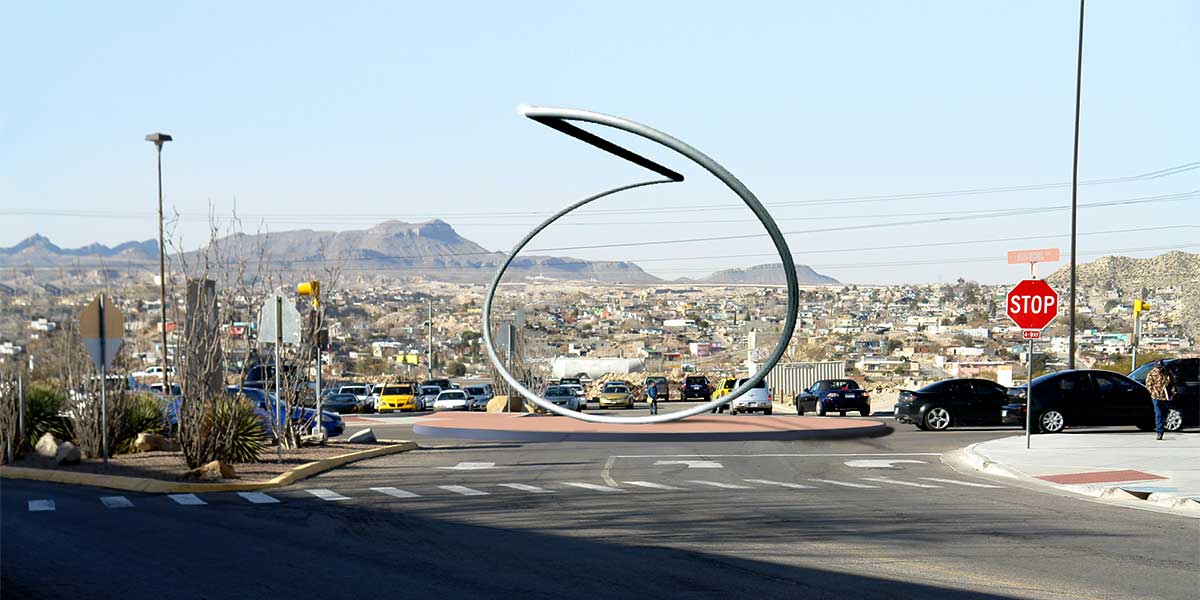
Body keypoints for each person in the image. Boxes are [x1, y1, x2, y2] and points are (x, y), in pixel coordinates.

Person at [1144, 359, 1175, 440]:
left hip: (1165, 396)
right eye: (1158, 367)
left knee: (1164, 414)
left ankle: (1161, 428)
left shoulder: (1167, 372)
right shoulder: (1151, 373)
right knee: (1158, 414)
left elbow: (1172, 384)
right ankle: (1159, 432)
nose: (1159, 369)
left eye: (1160, 367)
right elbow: (1148, 384)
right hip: (1156, 397)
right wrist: (1153, 392)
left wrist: (1172, 393)